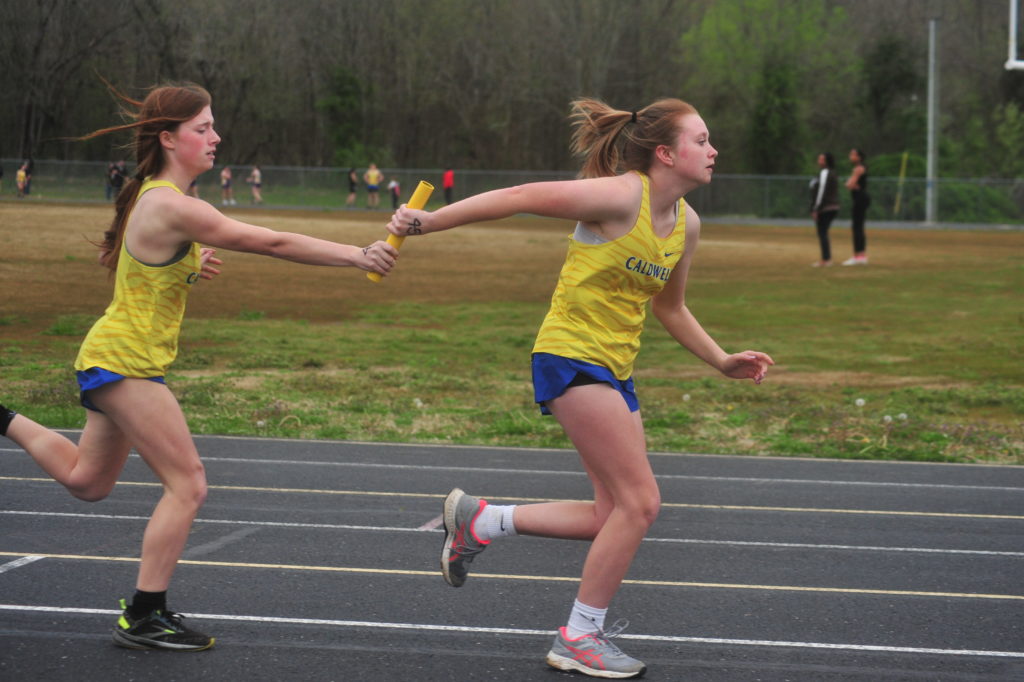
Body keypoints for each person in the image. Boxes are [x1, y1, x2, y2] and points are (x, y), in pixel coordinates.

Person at [0, 82, 398, 653]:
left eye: (213, 126)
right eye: (203, 128)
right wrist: (356, 255)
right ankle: (144, 614)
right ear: (169, 138)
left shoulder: (159, 201)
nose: (216, 137)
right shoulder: (172, 204)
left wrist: (188, 263)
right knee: (188, 485)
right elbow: (272, 241)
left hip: (115, 357)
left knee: (88, 482)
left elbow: (143, 261)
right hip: (126, 362)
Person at [387, 98, 774, 679]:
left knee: (609, 514)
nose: (714, 150)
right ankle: (579, 636)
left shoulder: (686, 224)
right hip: (570, 355)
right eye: (701, 140)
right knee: (641, 503)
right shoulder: (618, 197)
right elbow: (519, 197)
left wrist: (722, 360)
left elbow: (670, 307)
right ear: (666, 153)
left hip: (615, 368)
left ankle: (481, 521)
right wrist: (429, 222)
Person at [809, 152, 840, 267]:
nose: (819, 161)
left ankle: (826, 259)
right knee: (824, 233)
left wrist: (815, 208)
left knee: (822, 233)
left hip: (825, 207)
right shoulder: (832, 173)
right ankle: (826, 258)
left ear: (827, 161)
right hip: (832, 206)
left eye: (821, 159)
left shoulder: (825, 172)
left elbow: (821, 191)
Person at [843, 148, 869, 265]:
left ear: (859, 157)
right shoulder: (861, 168)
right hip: (860, 198)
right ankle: (861, 255)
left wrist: (849, 183)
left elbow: (850, 184)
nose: (850, 156)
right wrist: (851, 184)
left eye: (853, 155)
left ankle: (857, 256)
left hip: (860, 198)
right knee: (859, 227)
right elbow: (852, 184)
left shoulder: (858, 168)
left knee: (856, 227)